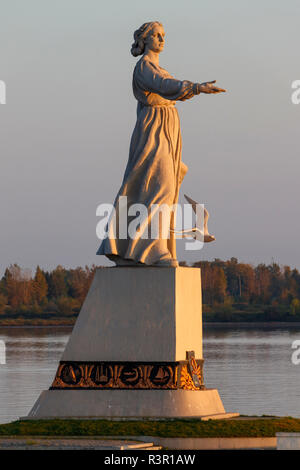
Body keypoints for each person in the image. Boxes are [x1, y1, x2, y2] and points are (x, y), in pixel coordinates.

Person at [97, 21, 225, 267]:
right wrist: (196, 88)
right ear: (144, 40)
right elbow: (166, 86)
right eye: (156, 35)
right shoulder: (144, 67)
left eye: (163, 35)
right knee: (159, 187)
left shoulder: (157, 67)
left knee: (164, 187)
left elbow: (168, 86)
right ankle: (152, 249)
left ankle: (145, 247)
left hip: (166, 128)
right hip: (153, 130)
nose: (161, 39)